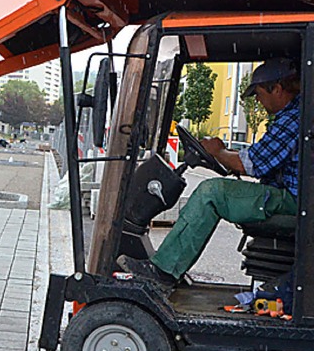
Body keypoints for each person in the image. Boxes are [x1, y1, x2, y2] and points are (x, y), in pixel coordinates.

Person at [118, 58, 301, 287]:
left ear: (277, 88)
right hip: (289, 196)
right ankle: (170, 266)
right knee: (215, 191)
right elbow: (261, 155)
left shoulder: (294, 118)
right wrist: (223, 153)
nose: (259, 102)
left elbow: (251, 165)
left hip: (292, 201)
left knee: (211, 192)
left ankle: (164, 271)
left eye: (260, 94)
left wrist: (219, 151)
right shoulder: (292, 115)